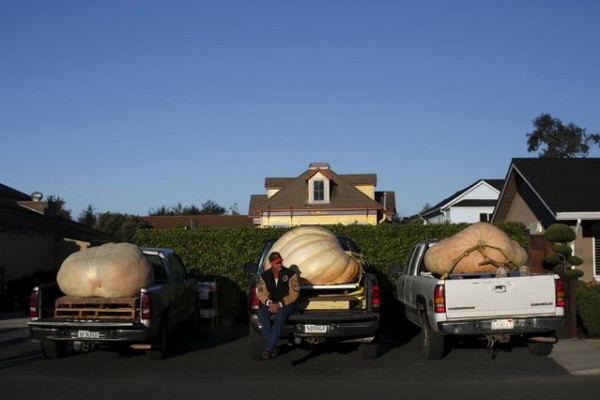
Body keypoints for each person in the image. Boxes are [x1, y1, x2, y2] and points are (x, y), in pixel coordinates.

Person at [256, 251, 300, 360]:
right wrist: (270, 303)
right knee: (261, 314)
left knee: (280, 314)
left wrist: (280, 304)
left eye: (280, 262)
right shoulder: (264, 276)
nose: (279, 264)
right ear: (271, 264)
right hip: (271, 303)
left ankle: (269, 349)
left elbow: (294, 293)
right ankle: (273, 346)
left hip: (287, 304)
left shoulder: (290, 274)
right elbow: (261, 293)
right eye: (277, 263)